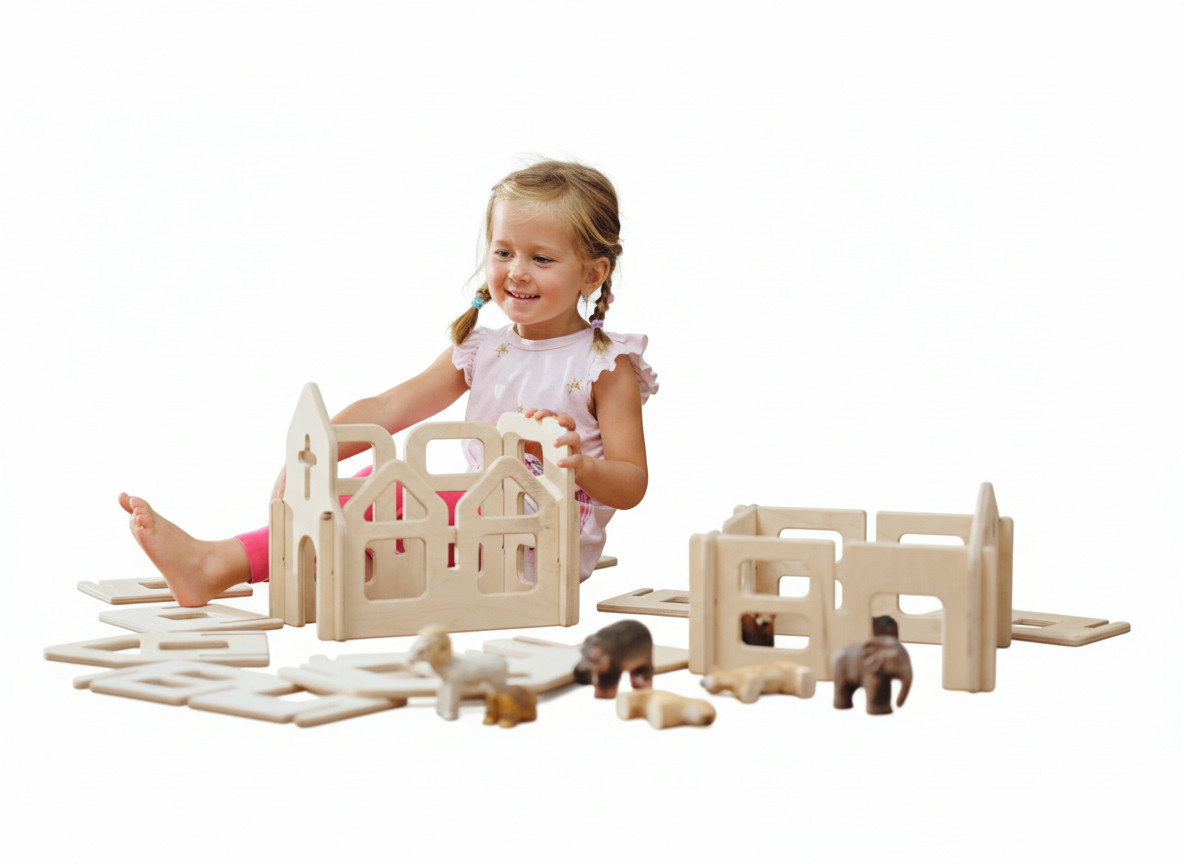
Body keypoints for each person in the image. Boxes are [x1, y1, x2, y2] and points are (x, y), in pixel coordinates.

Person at [118, 159, 657, 607]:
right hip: (475, 520)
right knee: (366, 484)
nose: (516, 271)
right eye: (503, 252)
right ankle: (231, 563)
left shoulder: (604, 365)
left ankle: (217, 564)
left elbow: (632, 482)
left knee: (394, 494)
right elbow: (390, 406)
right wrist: (315, 451)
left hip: (537, 546)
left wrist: (580, 465)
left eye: (540, 258)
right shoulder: (483, 349)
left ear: (592, 274)